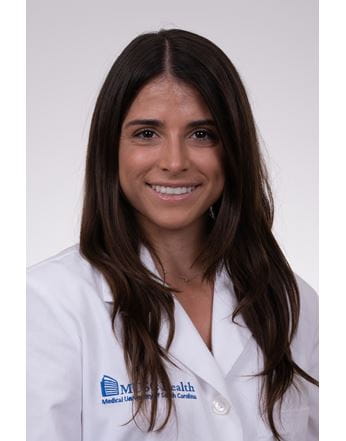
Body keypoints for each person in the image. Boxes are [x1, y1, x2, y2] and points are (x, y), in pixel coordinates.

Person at [27, 29, 318, 441]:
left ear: (233, 149)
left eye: (202, 134)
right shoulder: (46, 305)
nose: (175, 161)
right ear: (111, 148)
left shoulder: (292, 303)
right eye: (147, 133)